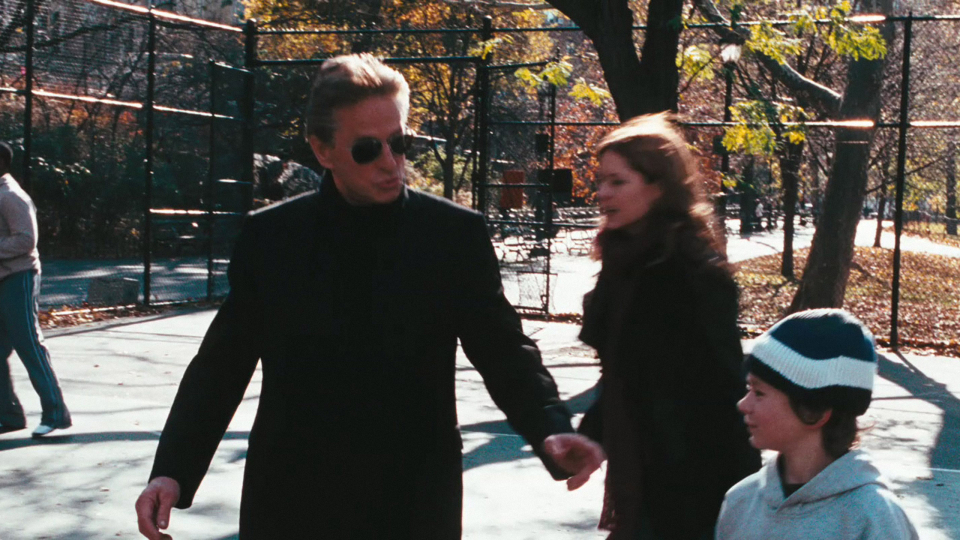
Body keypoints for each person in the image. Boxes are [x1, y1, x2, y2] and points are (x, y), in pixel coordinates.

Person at [134, 54, 602, 540]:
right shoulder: (273, 238)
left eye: (400, 143)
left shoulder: (451, 236)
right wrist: (172, 471)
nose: (390, 161)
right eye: (366, 149)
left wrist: (550, 426)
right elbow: (221, 364)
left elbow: (503, 349)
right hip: (294, 499)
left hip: (412, 500)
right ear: (323, 150)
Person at [544, 114, 760, 540]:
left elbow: (724, 390)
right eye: (601, 180)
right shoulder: (623, 261)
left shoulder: (694, 274)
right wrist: (591, 439)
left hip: (694, 484)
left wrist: (735, 500)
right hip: (641, 477)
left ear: (658, 187)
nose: (602, 193)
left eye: (617, 181)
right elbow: (623, 378)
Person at [716, 309, 919, 539]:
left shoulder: (874, 517)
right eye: (748, 389)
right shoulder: (740, 503)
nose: (743, 404)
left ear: (814, 411)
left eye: (759, 392)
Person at [0, 142, 72, 438]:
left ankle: (56, 414)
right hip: (3, 277)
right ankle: (9, 416)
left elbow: (26, 239)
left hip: (18, 277)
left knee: (29, 344)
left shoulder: (10, 196)